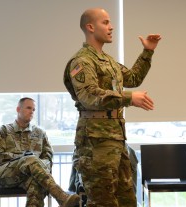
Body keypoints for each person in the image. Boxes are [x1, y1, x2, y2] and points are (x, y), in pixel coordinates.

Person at [63, 7, 161, 207]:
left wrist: (148, 51)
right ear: (90, 27)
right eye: (105, 22)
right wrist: (128, 98)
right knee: (103, 201)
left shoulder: (108, 62)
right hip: (95, 142)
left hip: (115, 138)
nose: (111, 27)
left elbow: (133, 78)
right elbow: (89, 95)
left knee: (127, 200)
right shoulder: (81, 61)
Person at [0, 97, 80, 207]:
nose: (31, 112)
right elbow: (0, 157)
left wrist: (35, 164)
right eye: (28, 108)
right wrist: (24, 158)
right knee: (30, 159)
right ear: (18, 109)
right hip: (7, 176)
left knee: (36, 184)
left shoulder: (40, 133)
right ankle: (61, 196)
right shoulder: (4, 131)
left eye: (33, 109)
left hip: (31, 175)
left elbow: (48, 157)